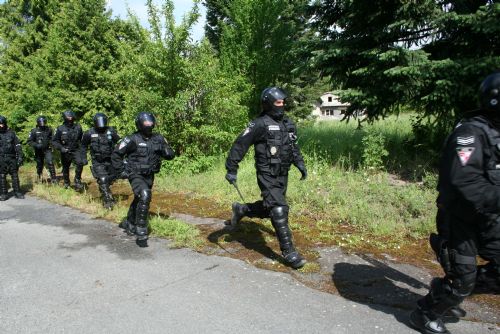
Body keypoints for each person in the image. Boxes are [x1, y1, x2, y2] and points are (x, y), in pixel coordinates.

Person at [410, 72, 500, 334]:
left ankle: (446, 290)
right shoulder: (469, 133)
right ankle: (426, 312)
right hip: (461, 219)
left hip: (491, 217)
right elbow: (465, 181)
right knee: (463, 280)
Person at [225, 87, 308, 269]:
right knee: (279, 209)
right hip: (266, 174)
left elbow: (293, 147)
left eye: (283, 102)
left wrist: (300, 164)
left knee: (269, 207)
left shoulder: (288, 124)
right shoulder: (259, 124)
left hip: (282, 174)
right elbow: (240, 145)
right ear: (269, 103)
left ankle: (241, 210)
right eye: (278, 102)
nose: (282, 105)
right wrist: (231, 168)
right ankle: (289, 253)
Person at [112, 112, 174, 245]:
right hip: (135, 174)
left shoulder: (158, 138)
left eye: (150, 123)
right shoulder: (131, 139)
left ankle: (129, 222)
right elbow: (117, 154)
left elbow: (169, 152)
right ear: (140, 124)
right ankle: (141, 230)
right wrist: (121, 171)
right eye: (145, 123)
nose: (148, 125)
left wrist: (168, 152)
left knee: (139, 197)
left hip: (149, 174)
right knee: (145, 195)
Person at [81, 113, 120, 209]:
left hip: (111, 160)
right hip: (98, 161)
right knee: (102, 179)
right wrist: (83, 158)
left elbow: (119, 143)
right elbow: (83, 146)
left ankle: (106, 191)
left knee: (112, 178)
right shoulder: (89, 133)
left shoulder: (111, 131)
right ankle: (107, 201)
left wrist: (121, 156)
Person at [52, 110, 86, 189]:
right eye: (68, 117)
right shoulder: (60, 129)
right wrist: (61, 148)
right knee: (65, 168)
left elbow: (82, 140)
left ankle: (77, 179)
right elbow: (55, 141)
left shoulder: (78, 127)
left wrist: (83, 152)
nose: (70, 118)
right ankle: (66, 182)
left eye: (71, 116)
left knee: (80, 163)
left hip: (76, 149)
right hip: (65, 151)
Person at [0, 115, 24, 200]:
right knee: (2, 175)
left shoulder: (12, 133)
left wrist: (20, 156)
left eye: (2, 124)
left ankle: (17, 192)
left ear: (5, 123)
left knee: (14, 175)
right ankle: (3, 193)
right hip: (1, 158)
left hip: (12, 157)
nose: (1, 126)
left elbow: (17, 145)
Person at [27, 116, 57, 184]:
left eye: (43, 122)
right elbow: (29, 141)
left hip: (47, 149)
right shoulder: (34, 131)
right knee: (40, 164)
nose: (42, 123)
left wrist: (52, 144)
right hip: (38, 150)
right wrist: (36, 145)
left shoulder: (49, 129)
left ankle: (54, 179)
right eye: (40, 122)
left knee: (50, 162)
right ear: (38, 122)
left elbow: (52, 138)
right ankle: (39, 177)